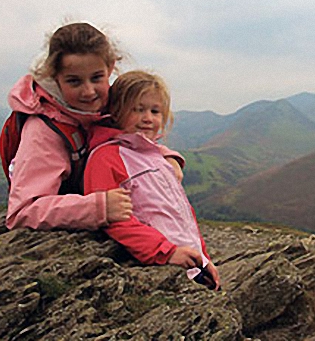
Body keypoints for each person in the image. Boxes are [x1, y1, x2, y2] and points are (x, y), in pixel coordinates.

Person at [6, 22, 184, 230]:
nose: (89, 91)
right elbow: (21, 212)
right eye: (74, 81)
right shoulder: (44, 130)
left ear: (110, 68)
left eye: (97, 77)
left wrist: (165, 155)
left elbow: (126, 136)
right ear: (55, 78)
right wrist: (98, 208)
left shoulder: (107, 104)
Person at [83, 70, 220, 290]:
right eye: (138, 110)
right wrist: (166, 252)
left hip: (188, 264)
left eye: (155, 111)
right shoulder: (105, 158)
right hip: (159, 266)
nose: (148, 118)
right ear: (117, 111)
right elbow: (115, 219)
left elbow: (182, 212)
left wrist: (203, 258)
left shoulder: (158, 156)